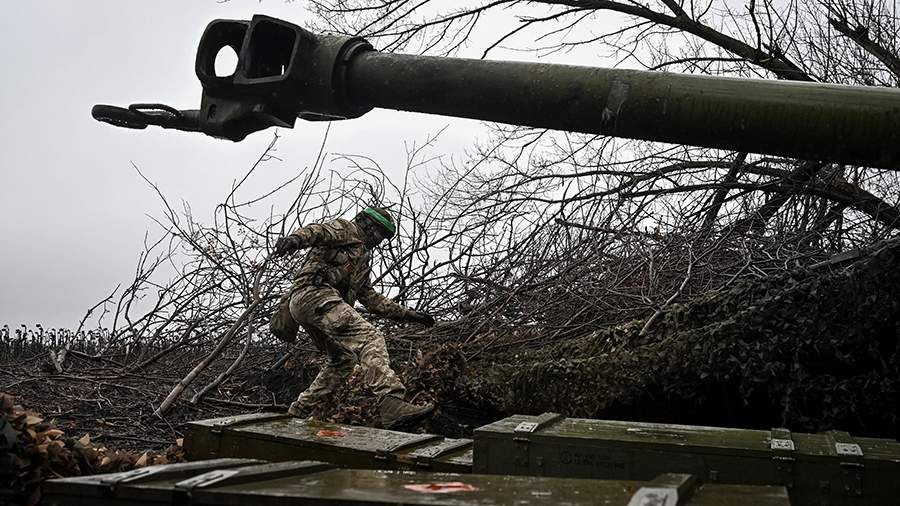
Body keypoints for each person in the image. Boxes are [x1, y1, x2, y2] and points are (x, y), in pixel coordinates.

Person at [271, 206, 436, 428]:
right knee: (370, 338)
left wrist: (407, 314)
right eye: (379, 232)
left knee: (343, 359)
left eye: (383, 236)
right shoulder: (347, 229)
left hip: (312, 304)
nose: (379, 240)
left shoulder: (361, 260)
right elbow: (318, 231)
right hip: (314, 295)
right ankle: (391, 402)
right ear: (366, 223)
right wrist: (294, 240)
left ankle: (300, 410)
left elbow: (370, 298)